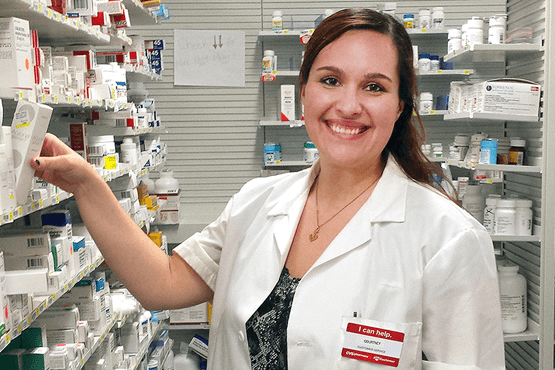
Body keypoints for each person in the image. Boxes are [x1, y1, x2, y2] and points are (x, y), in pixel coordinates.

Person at [32, 8, 505, 370]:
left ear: (401, 105)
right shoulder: (257, 202)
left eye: (375, 87)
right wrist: (86, 184)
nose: (348, 104)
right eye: (331, 80)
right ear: (304, 93)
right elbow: (162, 283)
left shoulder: (449, 241)